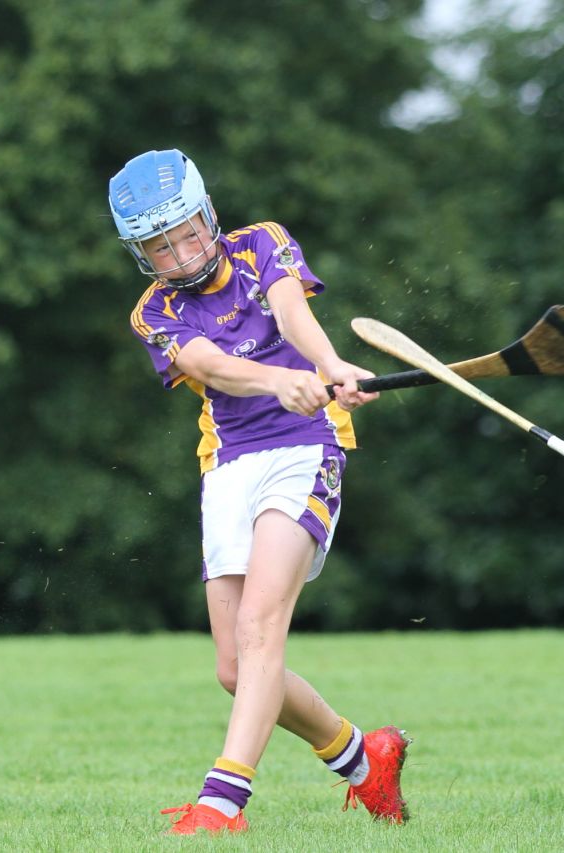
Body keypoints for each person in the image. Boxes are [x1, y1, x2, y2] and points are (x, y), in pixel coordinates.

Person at [109, 149, 409, 834]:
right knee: (235, 667)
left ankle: (222, 803)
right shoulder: (152, 311)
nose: (180, 254)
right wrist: (278, 380)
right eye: (159, 247)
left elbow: (291, 312)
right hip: (229, 461)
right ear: (140, 254)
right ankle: (366, 761)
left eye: (187, 232)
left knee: (260, 626)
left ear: (208, 214)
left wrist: (328, 365)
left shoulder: (261, 244)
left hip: (307, 447)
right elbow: (208, 363)